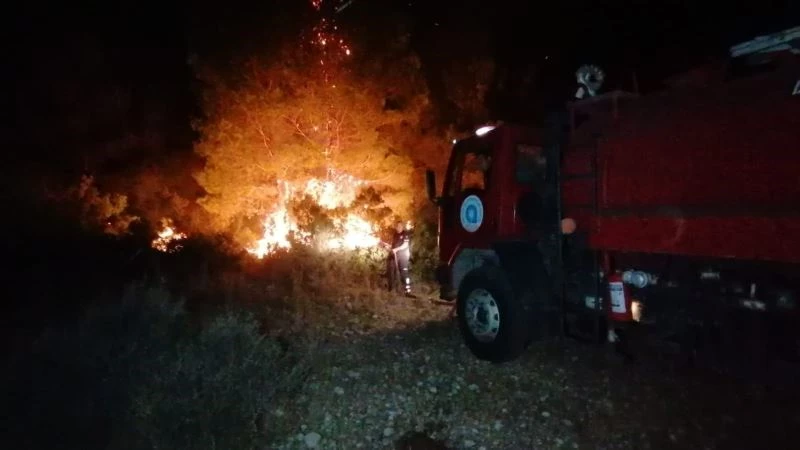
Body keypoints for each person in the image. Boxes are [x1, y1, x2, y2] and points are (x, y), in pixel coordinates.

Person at [384, 220, 413, 297]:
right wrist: (388, 247)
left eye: (400, 226)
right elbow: (393, 246)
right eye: (397, 226)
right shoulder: (395, 234)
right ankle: (391, 290)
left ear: (402, 227)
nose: (398, 228)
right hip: (394, 255)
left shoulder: (405, 234)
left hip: (403, 256)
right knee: (390, 271)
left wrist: (396, 249)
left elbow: (405, 245)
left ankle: (407, 291)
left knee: (404, 273)